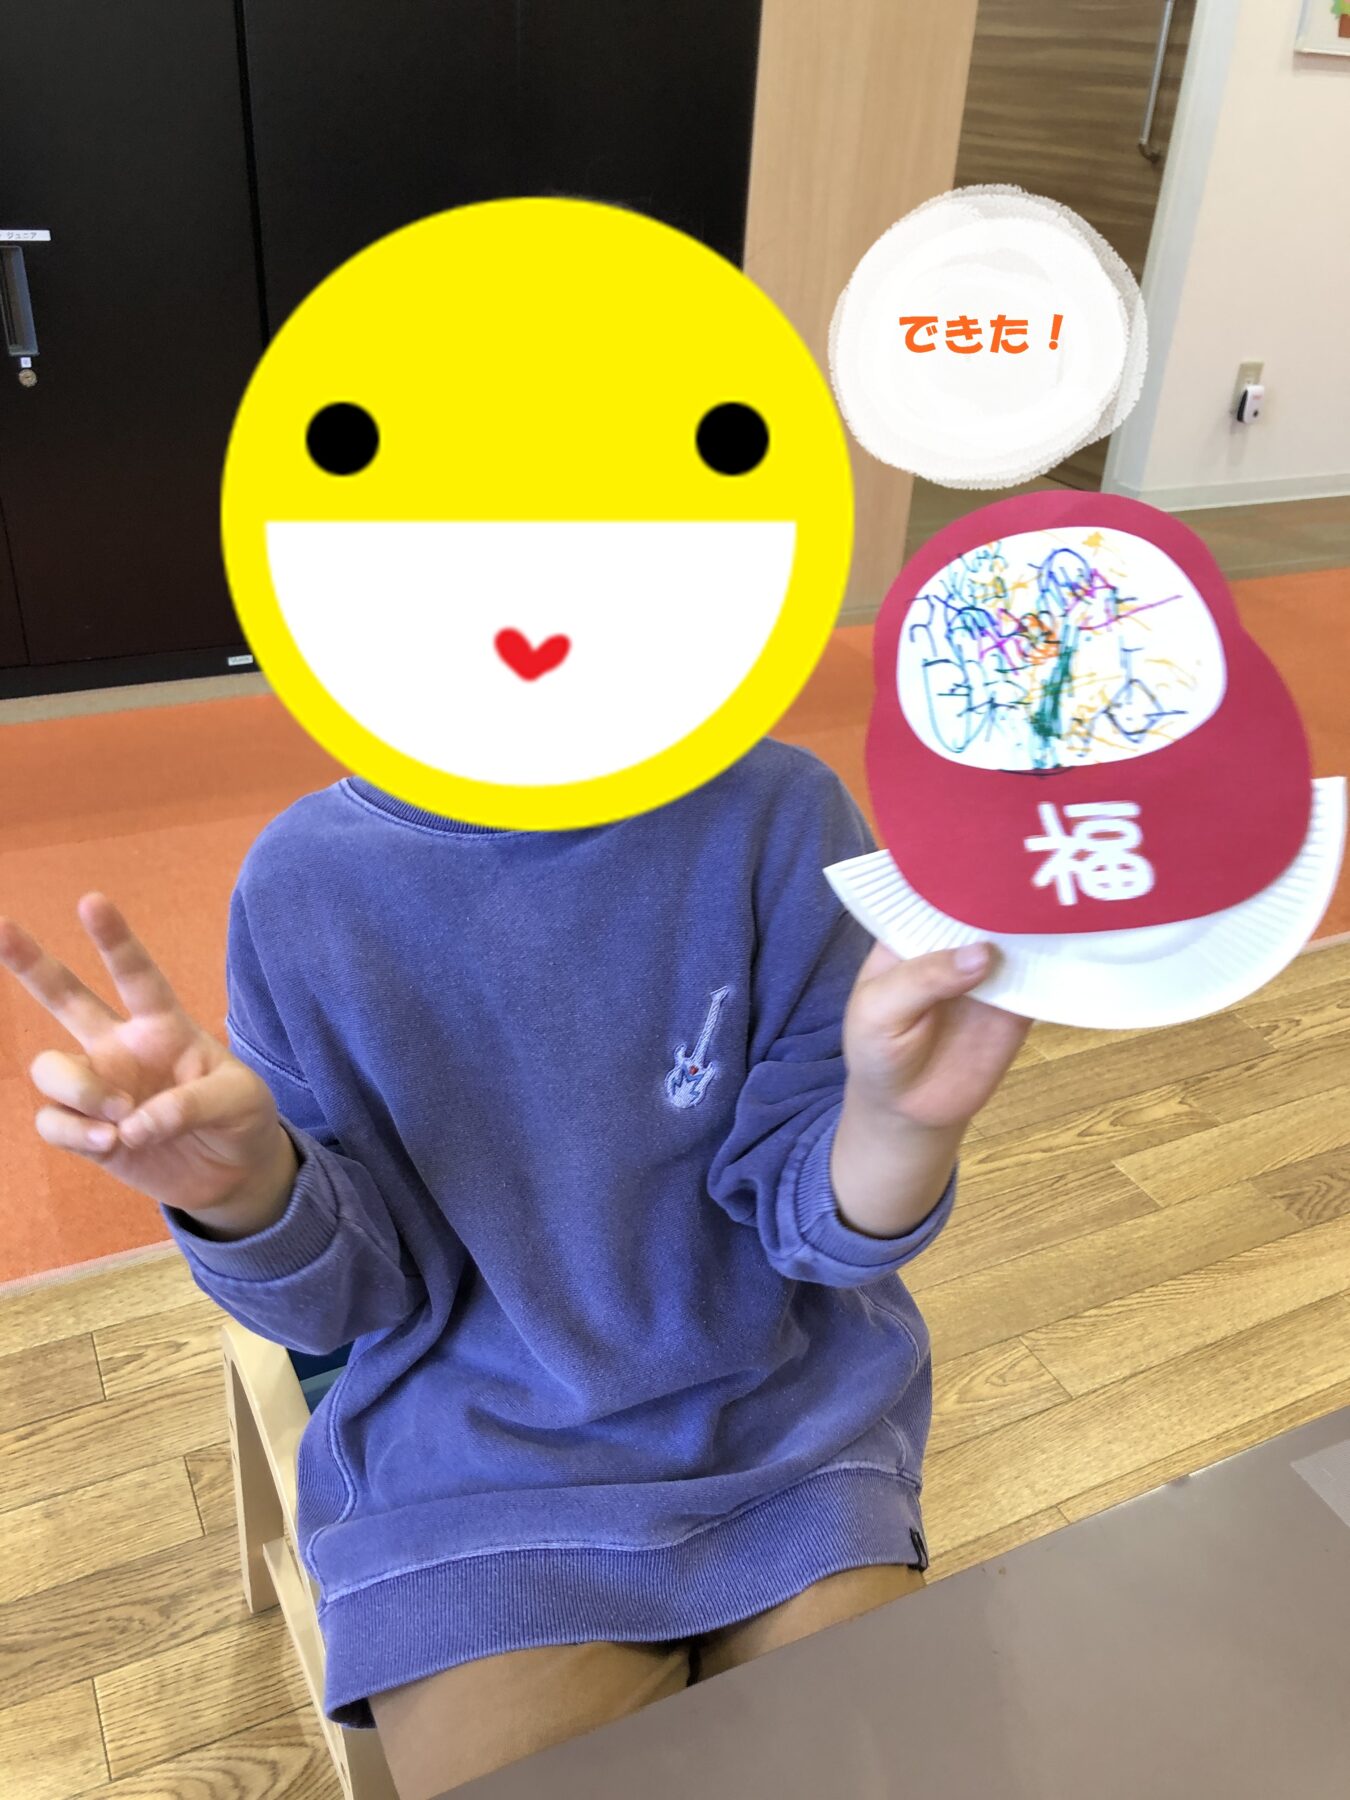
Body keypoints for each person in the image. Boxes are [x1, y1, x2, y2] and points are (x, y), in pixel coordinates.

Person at [0, 741, 1027, 1796]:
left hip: (788, 1440)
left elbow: (811, 1223)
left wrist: (900, 1125)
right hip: (470, 1485)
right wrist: (243, 1191)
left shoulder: (780, 810)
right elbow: (339, 1301)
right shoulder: (303, 881)